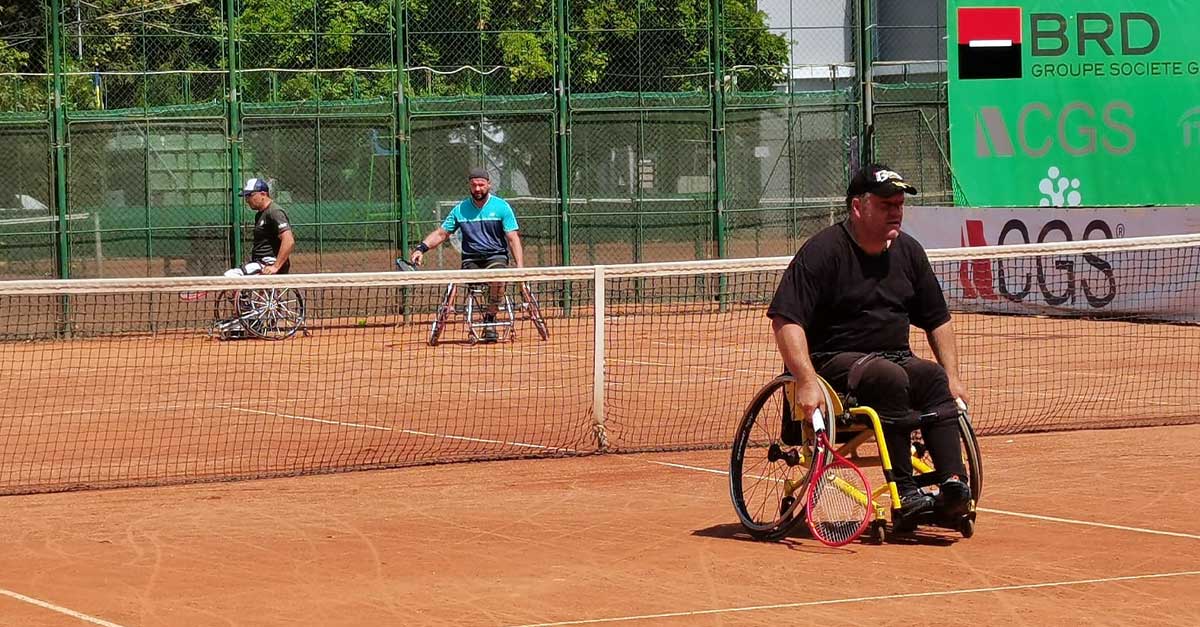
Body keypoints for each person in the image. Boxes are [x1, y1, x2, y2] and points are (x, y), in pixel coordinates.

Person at [766, 164, 971, 529]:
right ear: (858, 208)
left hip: (894, 358)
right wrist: (806, 380)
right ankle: (906, 494)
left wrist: (953, 376)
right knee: (889, 377)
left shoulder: (909, 252)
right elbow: (786, 320)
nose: (896, 210)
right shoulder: (823, 252)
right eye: (886, 204)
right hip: (832, 364)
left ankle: (954, 485)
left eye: (899, 204)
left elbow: (938, 319)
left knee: (933, 377)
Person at [409, 167, 525, 342]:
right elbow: (441, 233)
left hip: (496, 257)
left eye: (481, 185)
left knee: (498, 277)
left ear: (489, 185)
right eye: (474, 185)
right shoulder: (460, 210)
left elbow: (512, 238)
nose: (477, 189)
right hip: (471, 260)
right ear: (469, 186)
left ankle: (490, 319)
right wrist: (421, 248)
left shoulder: (502, 207)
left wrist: (520, 269)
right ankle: (445, 313)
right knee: (455, 280)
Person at [227, 177, 294, 277]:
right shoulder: (260, 214)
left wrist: (275, 266)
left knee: (231, 275)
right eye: (246, 196)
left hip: (267, 264)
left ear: (263, 194)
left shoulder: (274, 212)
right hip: (259, 263)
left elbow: (289, 240)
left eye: (250, 195)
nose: (247, 200)